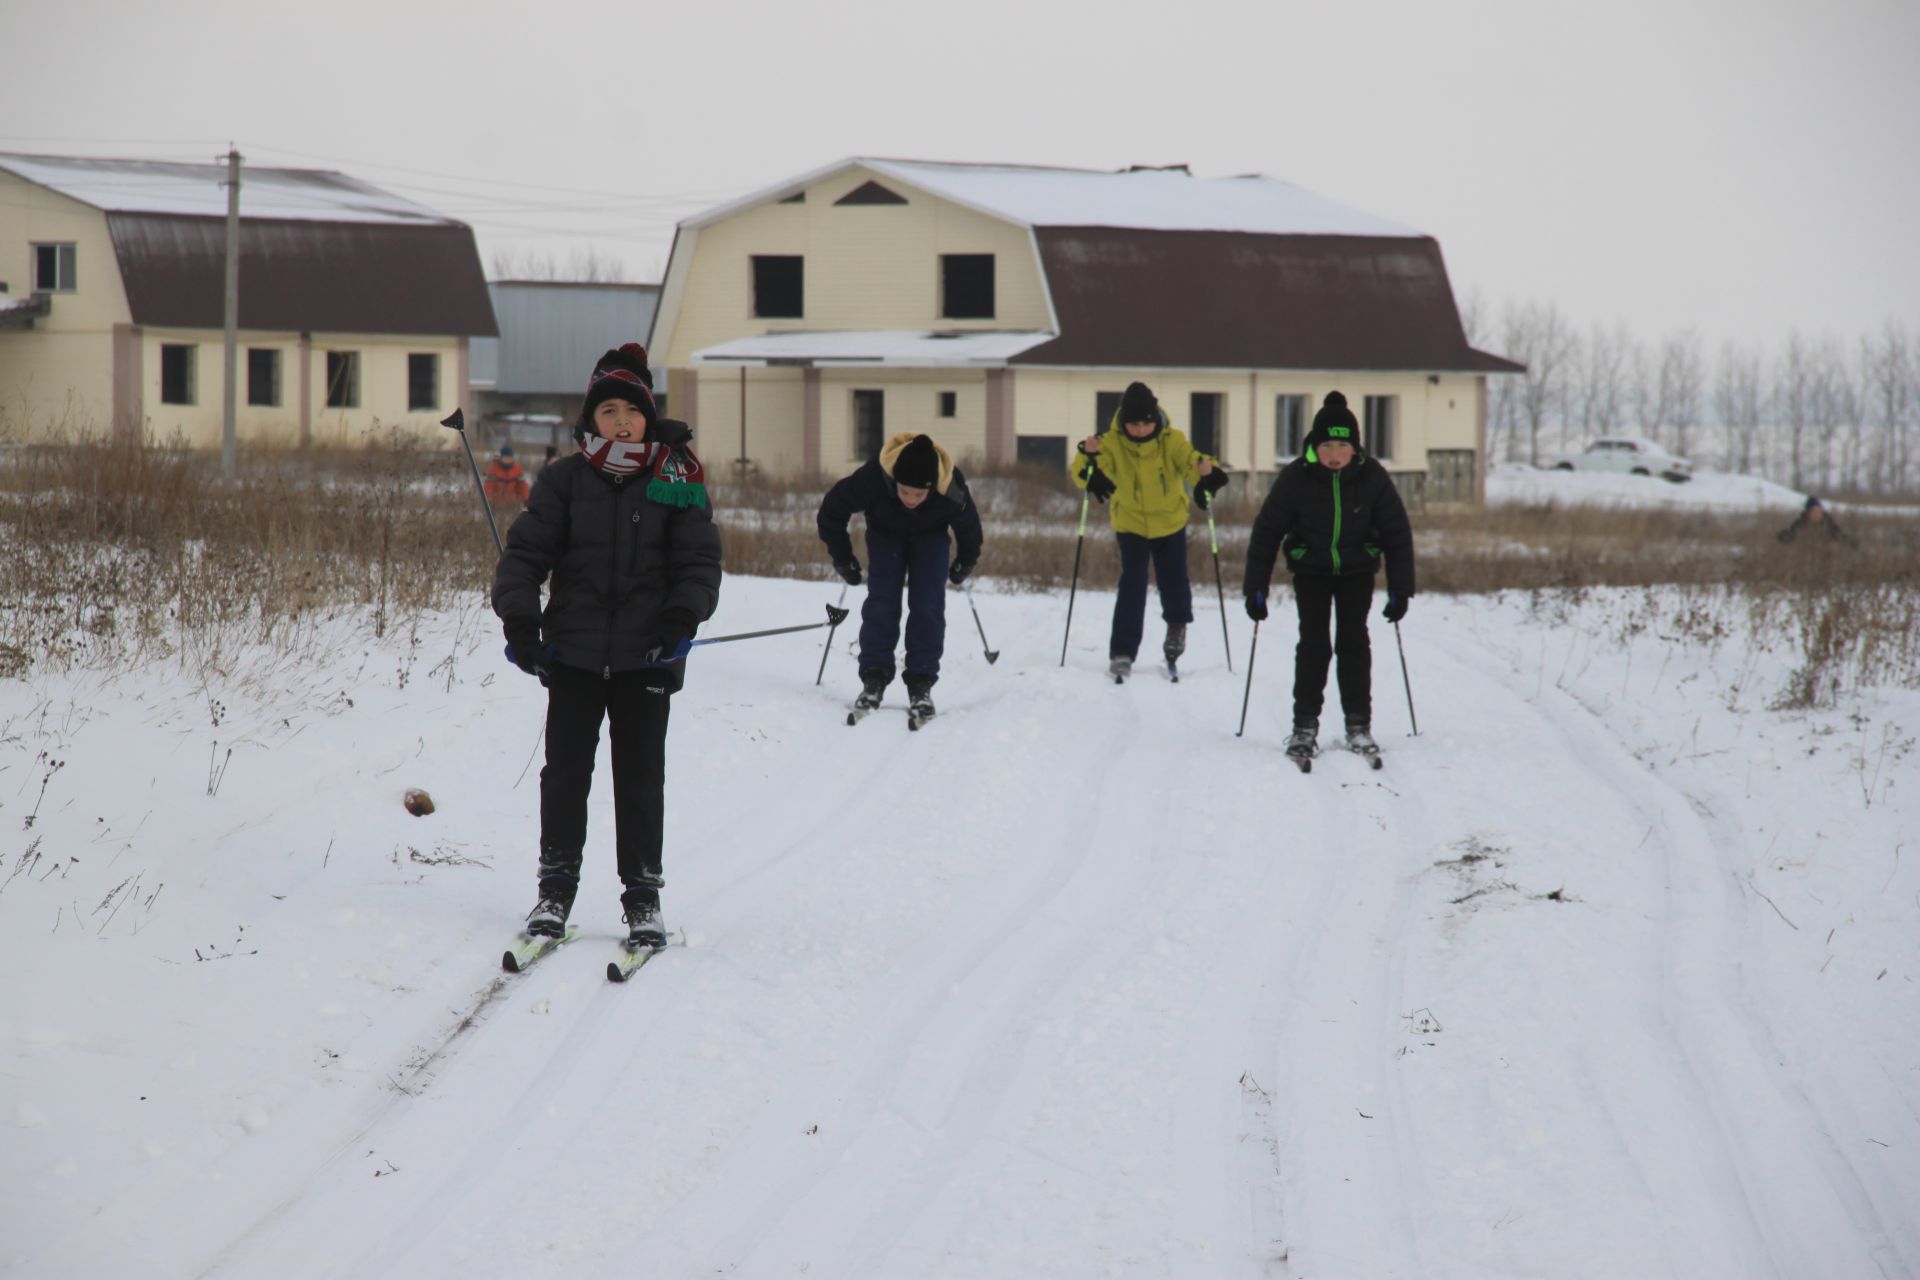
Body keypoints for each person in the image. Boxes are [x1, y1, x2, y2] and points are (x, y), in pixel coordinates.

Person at [492, 342, 723, 950]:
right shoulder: (564, 480)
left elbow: (699, 561)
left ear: (648, 416)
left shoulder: (677, 478)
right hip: (573, 653)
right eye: (608, 411)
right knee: (565, 775)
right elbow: (524, 558)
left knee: (640, 778)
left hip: (648, 656)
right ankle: (555, 890)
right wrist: (521, 623)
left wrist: (681, 618)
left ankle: (642, 897)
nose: (621, 422)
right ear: (590, 421)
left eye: (631, 410)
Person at [1242, 391, 1413, 761]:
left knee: (1353, 643)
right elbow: (1267, 530)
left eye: (1342, 445)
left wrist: (1401, 589)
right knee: (1314, 644)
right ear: (1313, 446)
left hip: (1357, 571)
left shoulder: (1372, 477)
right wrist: (1255, 587)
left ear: (1355, 447)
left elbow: (1397, 533)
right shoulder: (1296, 478)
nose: (1334, 454)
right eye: (1326, 445)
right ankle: (1304, 725)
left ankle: (1358, 724)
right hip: (1311, 571)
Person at [817, 432, 983, 724]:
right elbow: (832, 510)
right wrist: (842, 558)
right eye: (905, 492)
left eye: (919, 495)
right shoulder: (874, 478)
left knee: (927, 605)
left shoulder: (950, 489)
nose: (911, 500)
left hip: (931, 539)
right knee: (882, 601)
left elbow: (970, 529)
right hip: (885, 535)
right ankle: (874, 678)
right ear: (895, 481)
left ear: (932, 489)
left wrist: (965, 562)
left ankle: (921, 683)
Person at [1068, 381, 1229, 680]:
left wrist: (1208, 472)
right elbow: (1082, 471)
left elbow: (1192, 462)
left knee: (1174, 581)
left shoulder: (1172, 440)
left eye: (1146, 423)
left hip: (1170, 522)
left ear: (1155, 419)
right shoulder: (1112, 443)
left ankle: (1176, 629)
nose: (1140, 429)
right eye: (1134, 424)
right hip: (1131, 524)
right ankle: (1122, 651)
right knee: (1132, 583)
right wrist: (1087, 458)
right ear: (1124, 422)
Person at [1777, 495, 1855, 545]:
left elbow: (1839, 536)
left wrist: (1851, 543)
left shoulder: (1827, 522)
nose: (1816, 514)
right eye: (1813, 511)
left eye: (1818, 511)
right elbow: (1791, 536)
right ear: (1808, 512)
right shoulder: (1801, 523)